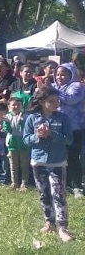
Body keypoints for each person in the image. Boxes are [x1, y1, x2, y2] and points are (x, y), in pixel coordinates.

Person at [23, 87, 74, 243]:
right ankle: (49, 222)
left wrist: (52, 134)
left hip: (58, 162)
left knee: (58, 194)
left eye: (57, 101)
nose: (55, 104)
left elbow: (69, 139)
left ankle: (63, 227)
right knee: (44, 194)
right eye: (51, 101)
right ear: (42, 102)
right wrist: (37, 136)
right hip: (38, 161)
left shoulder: (63, 118)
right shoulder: (32, 119)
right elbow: (26, 139)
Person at [53, 63, 84, 197]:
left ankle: (77, 186)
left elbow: (71, 99)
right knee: (60, 157)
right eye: (57, 74)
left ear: (71, 75)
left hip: (75, 128)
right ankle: (63, 185)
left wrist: (53, 91)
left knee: (73, 157)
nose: (59, 77)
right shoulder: (55, 87)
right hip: (58, 128)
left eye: (63, 74)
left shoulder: (77, 86)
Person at [4, 96, 30, 190]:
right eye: (13, 105)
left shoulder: (26, 116)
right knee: (13, 165)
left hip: (23, 144)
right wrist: (6, 123)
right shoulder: (7, 116)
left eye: (18, 105)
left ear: (22, 106)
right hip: (12, 144)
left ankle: (24, 184)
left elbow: (27, 129)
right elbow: (8, 130)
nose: (16, 107)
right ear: (9, 106)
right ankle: (14, 183)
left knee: (24, 165)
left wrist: (21, 122)